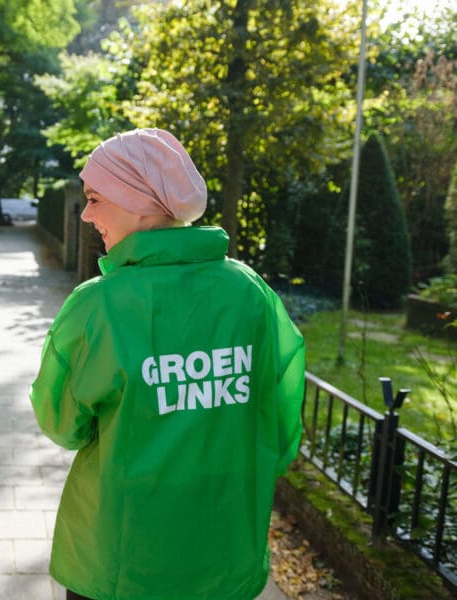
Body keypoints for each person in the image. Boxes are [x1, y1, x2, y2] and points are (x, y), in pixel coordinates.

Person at [30, 128, 305, 600]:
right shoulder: (250, 293)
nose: (86, 214)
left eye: (95, 198)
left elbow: (62, 424)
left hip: (120, 560)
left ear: (138, 200)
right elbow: (280, 425)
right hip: (224, 554)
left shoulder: (97, 307)